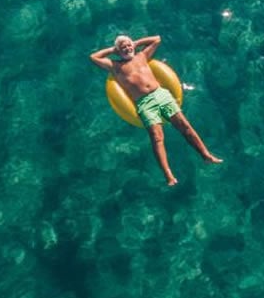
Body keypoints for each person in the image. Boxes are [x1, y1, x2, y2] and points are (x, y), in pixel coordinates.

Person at [90, 34, 222, 186]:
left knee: (185, 126)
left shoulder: (141, 56)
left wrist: (134, 43)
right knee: (157, 137)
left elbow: (157, 39)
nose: (127, 49)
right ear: (118, 52)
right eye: (123, 48)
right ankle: (169, 175)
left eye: (128, 46)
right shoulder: (115, 66)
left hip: (161, 94)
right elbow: (94, 56)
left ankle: (206, 155)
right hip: (144, 103)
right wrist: (114, 49)